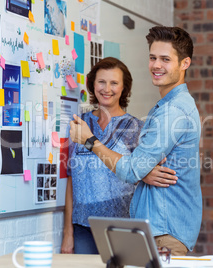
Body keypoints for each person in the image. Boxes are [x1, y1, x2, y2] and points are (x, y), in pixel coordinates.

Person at [69, 26, 202, 256]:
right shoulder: (166, 108)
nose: (156, 65)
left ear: (185, 63)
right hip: (151, 230)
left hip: (165, 233)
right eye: (153, 58)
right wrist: (142, 171)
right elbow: (138, 167)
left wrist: (90, 141)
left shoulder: (173, 111)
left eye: (165, 59)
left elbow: (131, 170)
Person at [61, 57, 177, 254]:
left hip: (123, 229)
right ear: (92, 84)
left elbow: (148, 174)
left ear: (124, 88)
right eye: (101, 82)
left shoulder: (137, 129)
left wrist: (143, 174)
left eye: (114, 83)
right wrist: (68, 233)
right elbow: (71, 182)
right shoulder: (79, 125)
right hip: (82, 229)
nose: (107, 89)